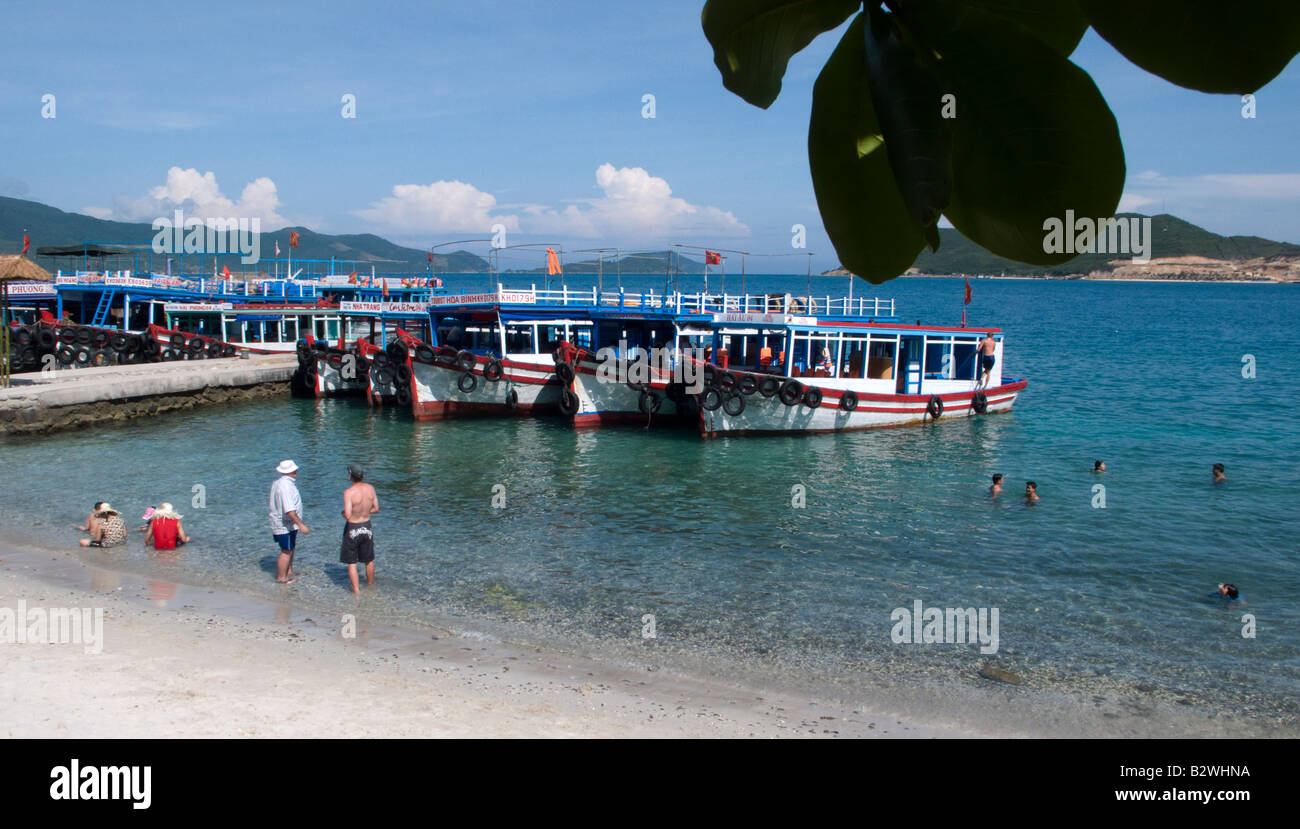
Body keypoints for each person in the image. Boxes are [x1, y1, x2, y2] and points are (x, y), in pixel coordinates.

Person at [340, 465, 380, 595]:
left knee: (352, 562)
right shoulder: (371, 489)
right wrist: (363, 510)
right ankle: (370, 587)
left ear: (350, 476)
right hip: (367, 527)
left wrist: (343, 513)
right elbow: (376, 509)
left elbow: (347, 514)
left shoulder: (349, 493)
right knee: (368, 560)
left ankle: (356, 592)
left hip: (353, 528)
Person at [269, 460, 309, 584]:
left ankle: (289, 571)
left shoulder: (281, 482)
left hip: (289, 523)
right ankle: (281, 577)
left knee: (291, 547)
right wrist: (301, 525)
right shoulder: (285, 486)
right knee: (286, 550)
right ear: (292, 471)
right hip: (283, 524)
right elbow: (289, 510)